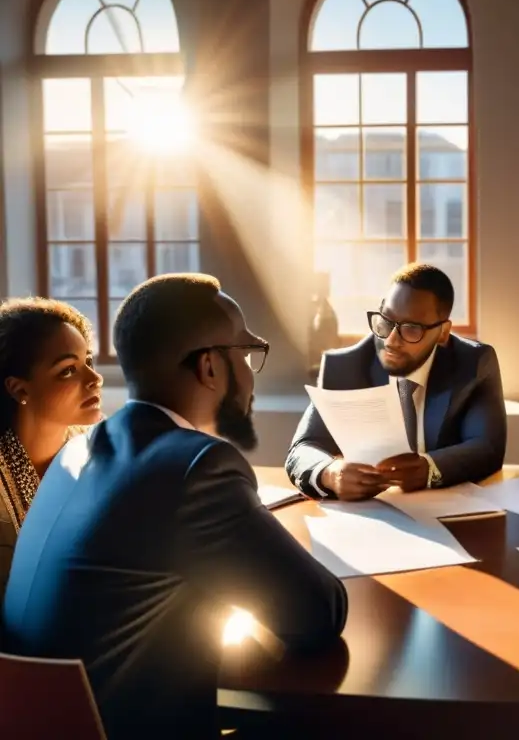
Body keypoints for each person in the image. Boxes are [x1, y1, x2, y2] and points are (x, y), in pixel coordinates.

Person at [2, 274, 348, 737]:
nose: (249, 373)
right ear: (209, 366)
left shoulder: (76, 449)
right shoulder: (198, 465)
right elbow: (317, 614)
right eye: (245, 354)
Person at [287, 263, 506, 501]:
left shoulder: (472, 364)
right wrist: (330, 473)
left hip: (448, 516)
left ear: (443, 332)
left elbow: (486, 447)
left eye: (411, 329)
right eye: (386, 321)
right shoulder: (346, 367)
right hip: (366, 518)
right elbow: (302, 448)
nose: (391, 340)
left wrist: (428, 468)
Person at [0, 298, 103, 597]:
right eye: (68, 370)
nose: (95, 379)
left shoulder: (99, 457)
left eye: (89, 361)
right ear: (19, 389)